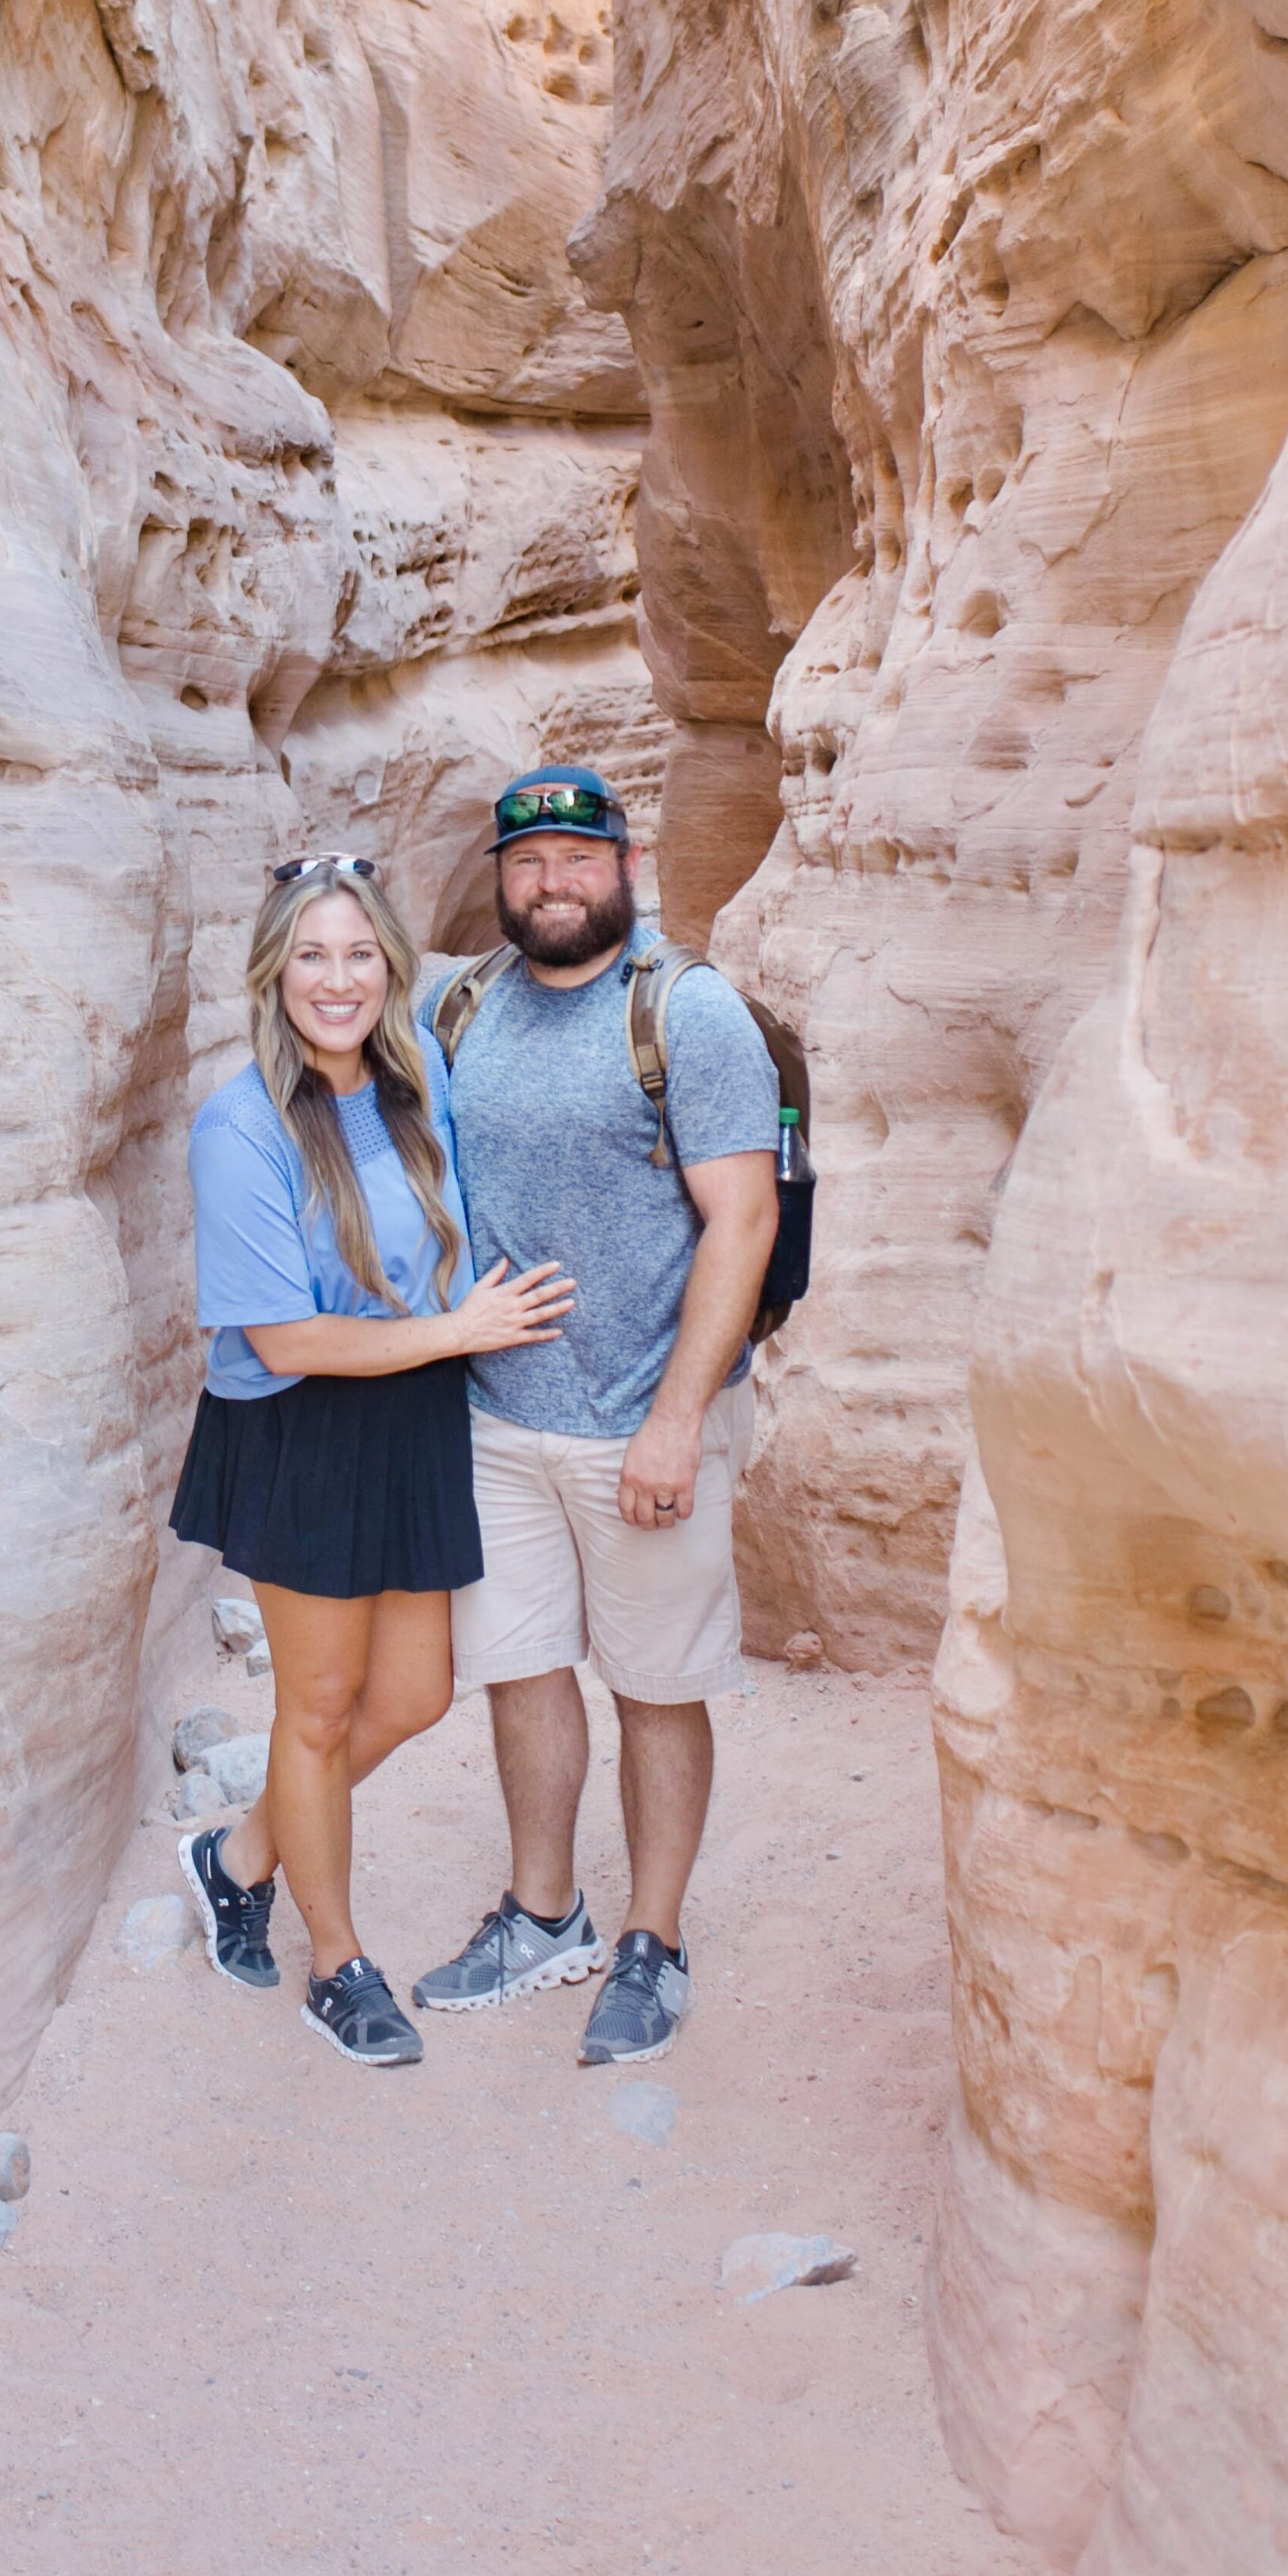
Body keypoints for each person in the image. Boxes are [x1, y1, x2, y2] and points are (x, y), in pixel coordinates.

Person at [169, 854, 573, 2067]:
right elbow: (283, 1335)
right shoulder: (240, 1125)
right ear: (272, 973)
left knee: (412, 1697)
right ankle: (337, 1964)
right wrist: (456, 1333)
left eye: (357, 954)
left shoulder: (416, 1082)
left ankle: (238, 1854)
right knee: (319, 1707)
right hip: (303, 1425)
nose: (335, 980)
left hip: (410, 1409)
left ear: (390, 967)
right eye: (309, 955)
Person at [413, 769, 780, 2064]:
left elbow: (742, 1217)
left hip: (644, 1415)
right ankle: (542, 1911)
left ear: (624, 862)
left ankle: (655, 1935)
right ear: (499, 880)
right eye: (526, 865)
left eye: (575, 858)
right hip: (497, 1414)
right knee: (521, 1670)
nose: (550, 883)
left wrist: (678, 1417)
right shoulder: (458, 1005)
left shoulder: (689, 1012)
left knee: (656, 1684)